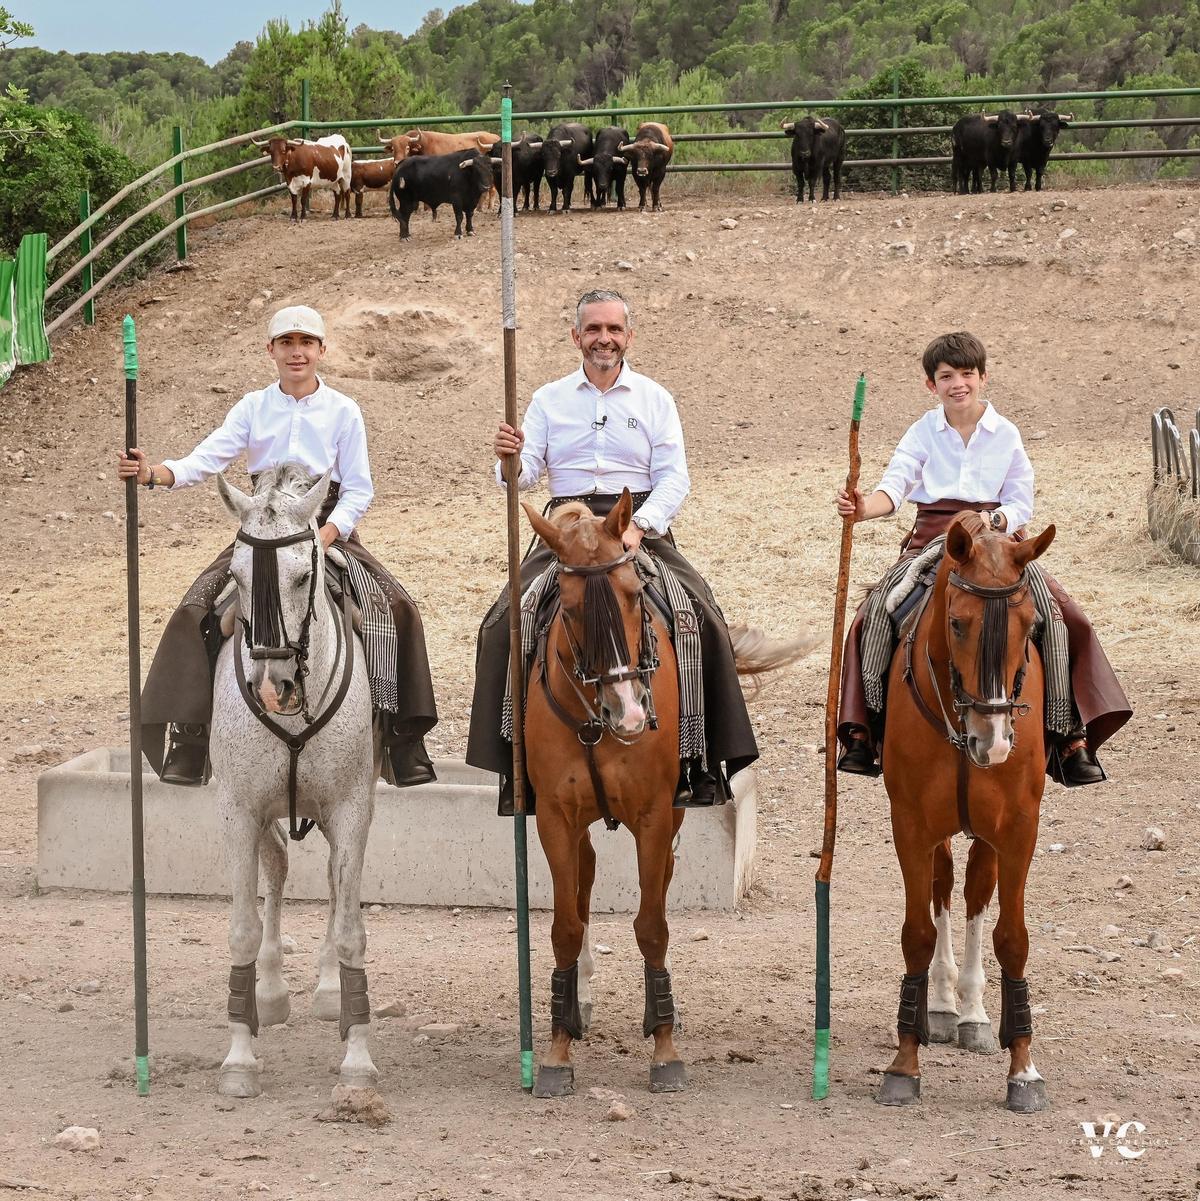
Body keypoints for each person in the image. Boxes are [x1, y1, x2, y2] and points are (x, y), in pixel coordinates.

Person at [116, 305, 437, 788]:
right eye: (286, 343)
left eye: (306, 343)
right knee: (195, 610)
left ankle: (402, 738)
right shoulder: (252, 407)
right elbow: (208, 458)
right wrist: (154, 473)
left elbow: (359, 489)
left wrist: (327, 535)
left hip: (327, 529)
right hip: (262, 531)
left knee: (395, 608)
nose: (297, 352)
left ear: (322, 351)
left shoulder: (344, 411)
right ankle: (192, 736)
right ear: (271, 350)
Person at [465, 288, 758, 811]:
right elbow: (523, 474)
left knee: (699, 617)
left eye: (614, 329)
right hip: (568, 528)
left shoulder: (654, 398)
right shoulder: (549, 399)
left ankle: (698, 760)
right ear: (577, 336)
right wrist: (508, 459)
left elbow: (674, 478)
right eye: (594, 329)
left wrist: (638, 527)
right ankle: (515, 764)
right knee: (501, 622)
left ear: (629, 336)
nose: (605, 338)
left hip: (634, 524)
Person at [835, 330, 1130, 786]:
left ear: (983, 377)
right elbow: (893, 489)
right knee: (876, 609)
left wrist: (990, 524)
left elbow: (1020, 501)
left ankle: (1067, 732)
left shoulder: (1005, 433)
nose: (958, 384)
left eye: (967, 374)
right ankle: (865, 727)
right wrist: (862, 507)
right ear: (930, 385)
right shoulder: (921, 432)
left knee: (1057, 613)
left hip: (998, 541)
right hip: (936, 537)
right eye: (946, 376)